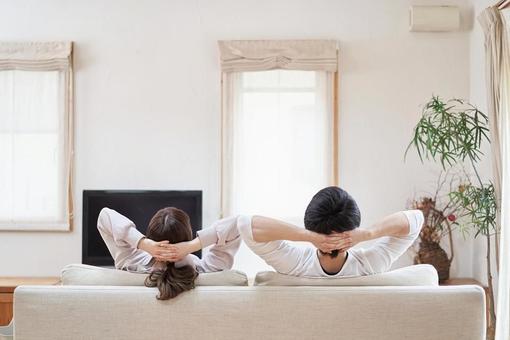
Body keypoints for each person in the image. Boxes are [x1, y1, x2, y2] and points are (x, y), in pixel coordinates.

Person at [233, 186, 424, 277]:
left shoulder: (295, 266)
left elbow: (245, 224)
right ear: (354, 226)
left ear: (310, 223)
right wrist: (367, 234)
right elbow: (416, 219)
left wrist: (307, 236)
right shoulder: (370, 266)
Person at [97, 206, 241, 299]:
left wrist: (144, 244)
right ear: (188, 235)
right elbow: (238, 224)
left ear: (150, 236)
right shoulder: (209, 270)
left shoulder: (130, 263)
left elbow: (105, 216)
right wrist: (193, 245)